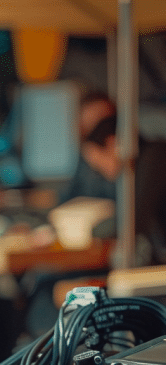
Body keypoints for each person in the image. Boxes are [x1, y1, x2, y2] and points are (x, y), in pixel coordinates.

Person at [62, 91, 166, 266]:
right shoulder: (147, 159)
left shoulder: (154, 159)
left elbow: (132, 221)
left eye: (99, 163)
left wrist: (85, 229)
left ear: (111, 143)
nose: (102, 172)